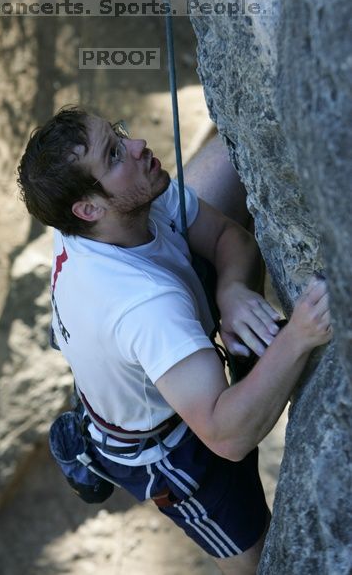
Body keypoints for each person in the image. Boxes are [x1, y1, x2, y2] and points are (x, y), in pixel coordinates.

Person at [17, 106, 331, 575]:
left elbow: (229, 236)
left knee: (237, 148)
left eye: (119, 134)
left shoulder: (128, 205)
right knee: (264, 563)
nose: (138, 146)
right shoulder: (144, 307)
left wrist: (231, 292)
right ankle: (97, 447)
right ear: (89, 209)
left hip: (135, 336)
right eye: (115, 153)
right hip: (168, 449)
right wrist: (303, 333)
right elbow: (226, 437)